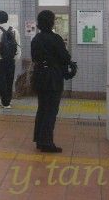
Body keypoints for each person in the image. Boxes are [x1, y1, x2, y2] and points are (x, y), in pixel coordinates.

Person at [32, 10, 72, 153]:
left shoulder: (36, 39)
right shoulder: (56, 39)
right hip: (53, 78)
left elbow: (34, 57)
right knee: (51, 110)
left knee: (42, 108)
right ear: (51, 22)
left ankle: (39, 140)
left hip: (39, 76)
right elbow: (65, 57)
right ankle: (47, 142)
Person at [0, 10, 21, 109]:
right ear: (7, 18)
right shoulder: (14, 31)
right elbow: (18, 47)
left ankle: (5, 102)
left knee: (1, 81)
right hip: (11, 60)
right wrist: (15, 59)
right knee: (10, 80)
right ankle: (8, 101)